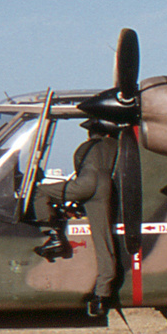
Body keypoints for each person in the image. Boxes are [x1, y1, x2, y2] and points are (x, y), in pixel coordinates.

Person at [33, 120, 121, 316]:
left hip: (85, 184)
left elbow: (80, 173)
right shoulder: (114, 146)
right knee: (104, 242)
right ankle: (102, 295)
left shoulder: (84, 147)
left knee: (40, 192)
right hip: (105, 189)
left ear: (91, 133)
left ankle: (53, 235)